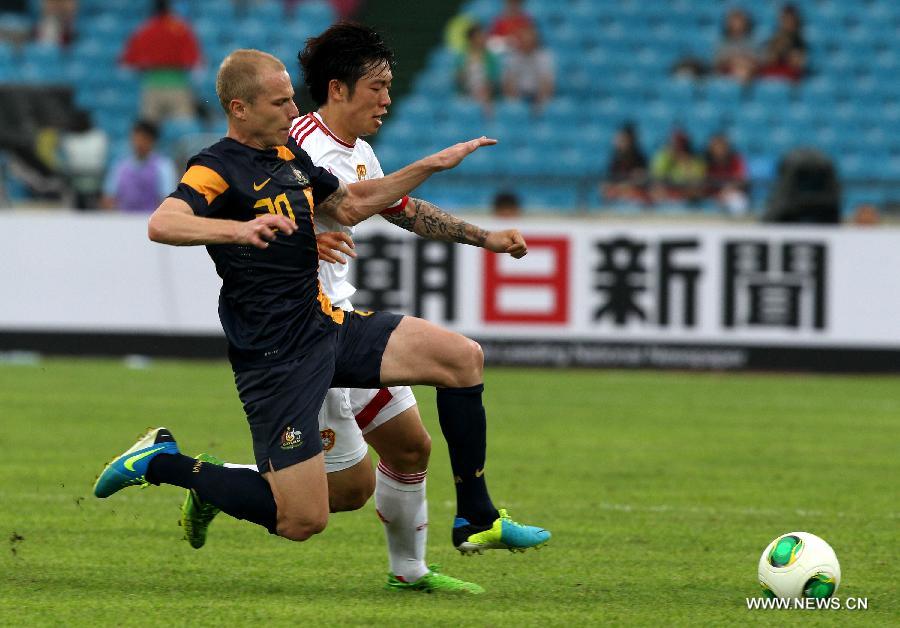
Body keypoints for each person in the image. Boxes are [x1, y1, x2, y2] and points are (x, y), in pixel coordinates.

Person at [93, 47, 548, 589]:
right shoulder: (215, 167)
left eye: (292, 98)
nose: (292, 111)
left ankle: (475, 516)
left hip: (327, 324)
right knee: (304, 519)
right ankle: (163, 461)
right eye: (280, 101)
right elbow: (163, 223)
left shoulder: (288, 156)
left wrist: (430, 165)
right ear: (238, 108)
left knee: (460, 358)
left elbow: (352, 204)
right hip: (277, 357)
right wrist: (236, 230)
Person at [120, 0, 202, 122]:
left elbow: (127, 63)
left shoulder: (145, 29)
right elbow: (195, 62)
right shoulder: (180, 28)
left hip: (152, 84)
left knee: (149, 129)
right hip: (177, 84)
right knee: (182, 128)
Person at [101, 120, 176, 212]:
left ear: (152, 141)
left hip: (152, 220)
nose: (139, 143)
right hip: (123, 220)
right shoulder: (120, 166)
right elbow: (108, 198)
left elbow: (166, 200)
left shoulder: (164, 166)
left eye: (144, 139)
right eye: (136, 139)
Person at [501, 24, 555, 111]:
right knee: (511, 104)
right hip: (518, 95)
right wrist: (516, 103)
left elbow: (548, 83)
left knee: (546, 103)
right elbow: (507, 84)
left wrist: (539, 102)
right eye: (524, 40)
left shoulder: (544, 56)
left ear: (535, 41)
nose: (527, 43)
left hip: (537, 94)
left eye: (529, 40)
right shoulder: (512, 56)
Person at [650, 129, 707, 205]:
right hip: (668, 192)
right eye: (675, 145)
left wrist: (686, 166)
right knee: (657, 189)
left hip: (686, 195)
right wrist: (669, 160)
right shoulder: (663, 156)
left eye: (681, 145)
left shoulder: (696, 160)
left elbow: (698, 181)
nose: (677, 148)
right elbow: (657, 176)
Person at [455, 23, 501, 116]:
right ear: (471, 39)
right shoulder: (462, 57)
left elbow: (494, 78)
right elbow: (458, 79)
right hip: (466, 92)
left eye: (483, 36)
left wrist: (484, 90)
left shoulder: (490, 57)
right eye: (479, 37)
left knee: (486, 103)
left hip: (486, 93)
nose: (483, 39)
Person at [602, 122, 649, 204]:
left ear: (630, 140)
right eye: (618, 139)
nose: (617, 141)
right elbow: (608, 181)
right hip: (619, 197)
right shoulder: (615, 158)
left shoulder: (639, 158)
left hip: (636, 200)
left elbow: (641, 179)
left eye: (622, 139)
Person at [758, 4, 807, 81]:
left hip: (790, 77)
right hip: (771, 75)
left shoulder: (800, 39)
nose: (788, 23)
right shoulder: (774, 38)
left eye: (791, 20)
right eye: (785, 20)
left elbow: (799, 62)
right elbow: (769, 58)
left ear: (796, 20)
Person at [703, 133, 749, 215]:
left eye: (721, 146)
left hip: (730, 194)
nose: (719, 149)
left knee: (738, 201)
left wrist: (727, 190)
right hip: (710, 196)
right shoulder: (704, 161)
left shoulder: (735, 160)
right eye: (715, 146)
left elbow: (741, 179)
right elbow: (701, 182)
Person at [713, 8, 757, 84]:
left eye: (739, 21)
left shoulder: (752, 41)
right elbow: (716, 62)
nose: (737, 24)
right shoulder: (723, 42)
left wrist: (743, 62)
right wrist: (733, 61)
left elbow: (757, 60)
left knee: (743, 71)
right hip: (727, 72)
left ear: (745, 22)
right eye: (734, 21)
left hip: (748, 72)